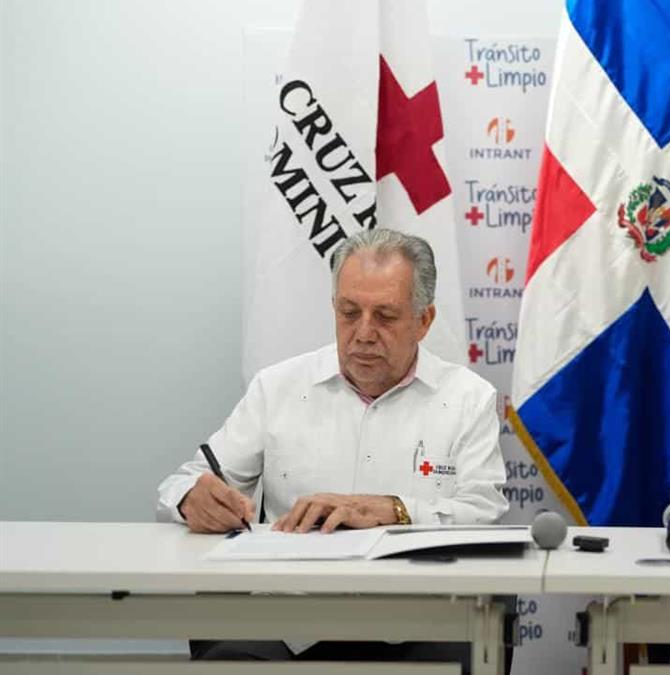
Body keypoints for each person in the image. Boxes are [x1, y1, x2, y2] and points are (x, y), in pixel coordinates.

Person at [157, 229, 508, 664]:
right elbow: (183, 483)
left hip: (416, 617)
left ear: (424, 320)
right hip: (288, 618)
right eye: (349, 312)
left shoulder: (468, 399)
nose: (364, 333)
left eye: (385, 316)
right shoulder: (278, 388)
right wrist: (192, 498)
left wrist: (395, 510)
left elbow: (485, 515)